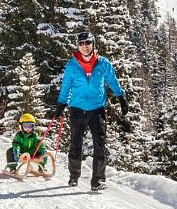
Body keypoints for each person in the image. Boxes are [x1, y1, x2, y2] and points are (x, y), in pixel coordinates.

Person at [52, 31, 127, 191]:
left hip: (97, 110)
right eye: (81, 44)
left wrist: (121, 97)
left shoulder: (103, 63)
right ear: (78, 46)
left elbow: (112, 81)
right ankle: (74, 176)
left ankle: (98, 180)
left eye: (87, 43)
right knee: (75, 143)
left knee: (99, 144)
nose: (85, 46)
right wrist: (61, 104)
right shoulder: (72, 65)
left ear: (93, 44)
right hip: (77, 109)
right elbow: (66, 86)